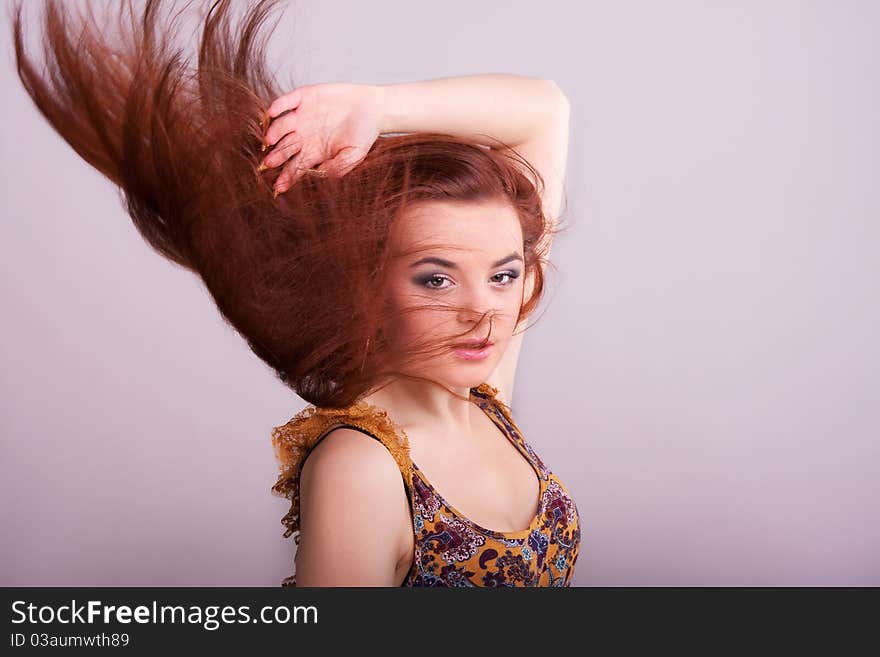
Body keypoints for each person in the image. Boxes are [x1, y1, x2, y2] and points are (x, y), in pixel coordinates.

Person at [12, 0, 580, 586]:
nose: (482, 311)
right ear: (365, 285)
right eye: (435, 279)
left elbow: (545, 110)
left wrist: (375, 107)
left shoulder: (483, 397)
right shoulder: (362, 468)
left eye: (504, 275)